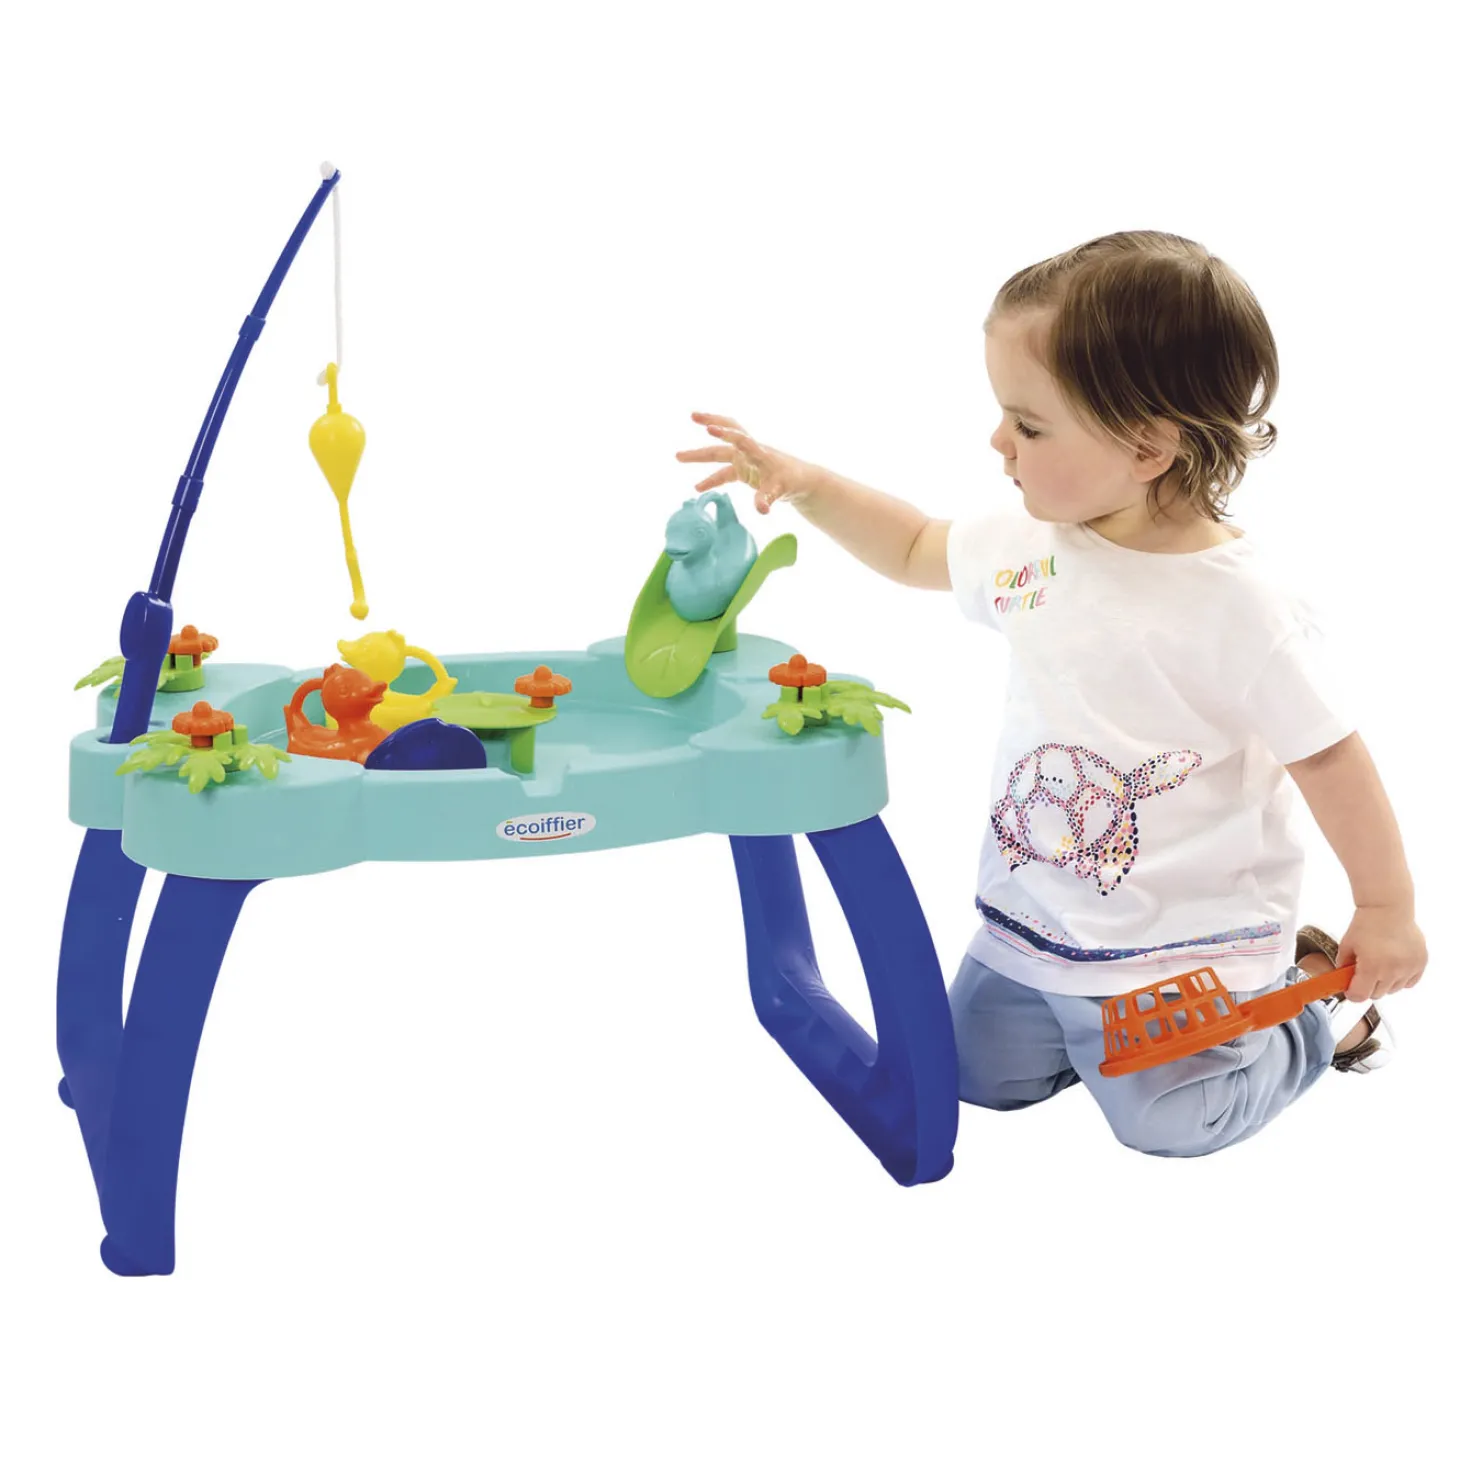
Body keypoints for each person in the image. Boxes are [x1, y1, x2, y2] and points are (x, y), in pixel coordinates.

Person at [676, 230, 1427, 1158]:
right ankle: (1097, 1047)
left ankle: (1312, 1017)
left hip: (1180, 949)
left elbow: (1331, 758)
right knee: (968, 1075)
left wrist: (1384, 910)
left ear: (1147, 446)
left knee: (1171, 1125)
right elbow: (913, 547)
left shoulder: (1243, 610)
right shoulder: (1029, 541)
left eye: (1029, 426)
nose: (999, 442)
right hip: (1038, 923)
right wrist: (809, 486)